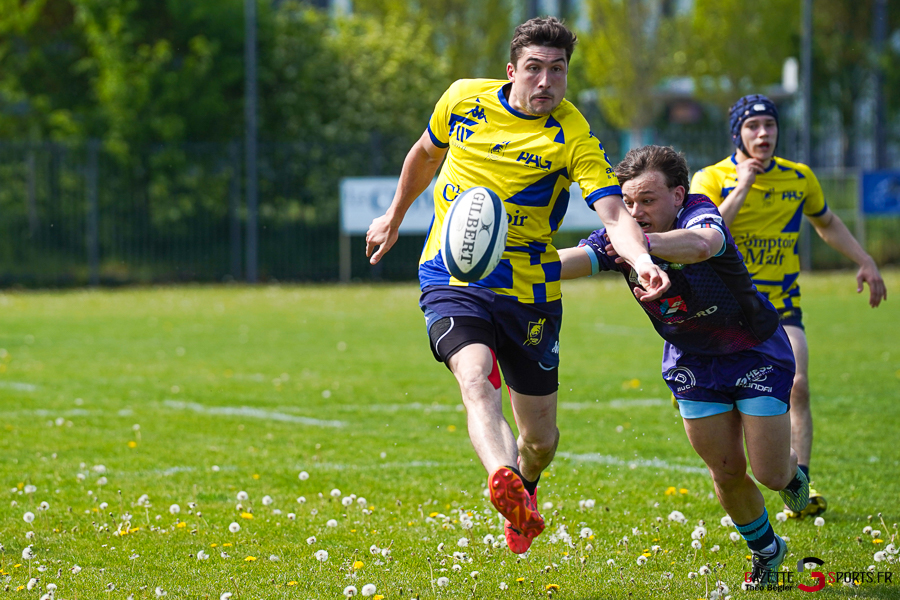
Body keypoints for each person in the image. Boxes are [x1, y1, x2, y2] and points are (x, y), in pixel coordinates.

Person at [364, 17, 669, 554]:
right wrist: (394, 215)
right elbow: (424, 156)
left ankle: (523, 485)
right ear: (512, 70)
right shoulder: (463, 100)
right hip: (452, 275)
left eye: (558, 70)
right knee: (475, 377)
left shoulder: (572, 134)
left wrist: (641, 258)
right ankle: (501, 476)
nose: (546, 82)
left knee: (542, 440)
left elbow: (614, 212)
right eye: (535, 69)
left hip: (529, 293)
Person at [558, 145, 809, 583]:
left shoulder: (699, 214)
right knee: (727, 470)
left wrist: (635, 245)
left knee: (768, 473)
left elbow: (701, 245)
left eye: (647, 200)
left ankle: (791, 473)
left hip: (754, 348)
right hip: (692, 360)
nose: (635, 212)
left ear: (677, 195)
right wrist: (508, 268)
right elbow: (573, 261)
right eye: (629, 203)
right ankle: (767, 552)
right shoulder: (621, 233)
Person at [690, 95, 887, 518]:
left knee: (798, 384)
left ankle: (802, 484)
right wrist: (743, 184)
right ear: (737, 134)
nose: (763, 134)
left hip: (779, 304)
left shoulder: (799, 178)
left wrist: (865, 260)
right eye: (753, 126)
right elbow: (703, 234)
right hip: (721, 309)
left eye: (770, 126)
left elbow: (827, 221)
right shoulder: (710, 179)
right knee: (724, 402)